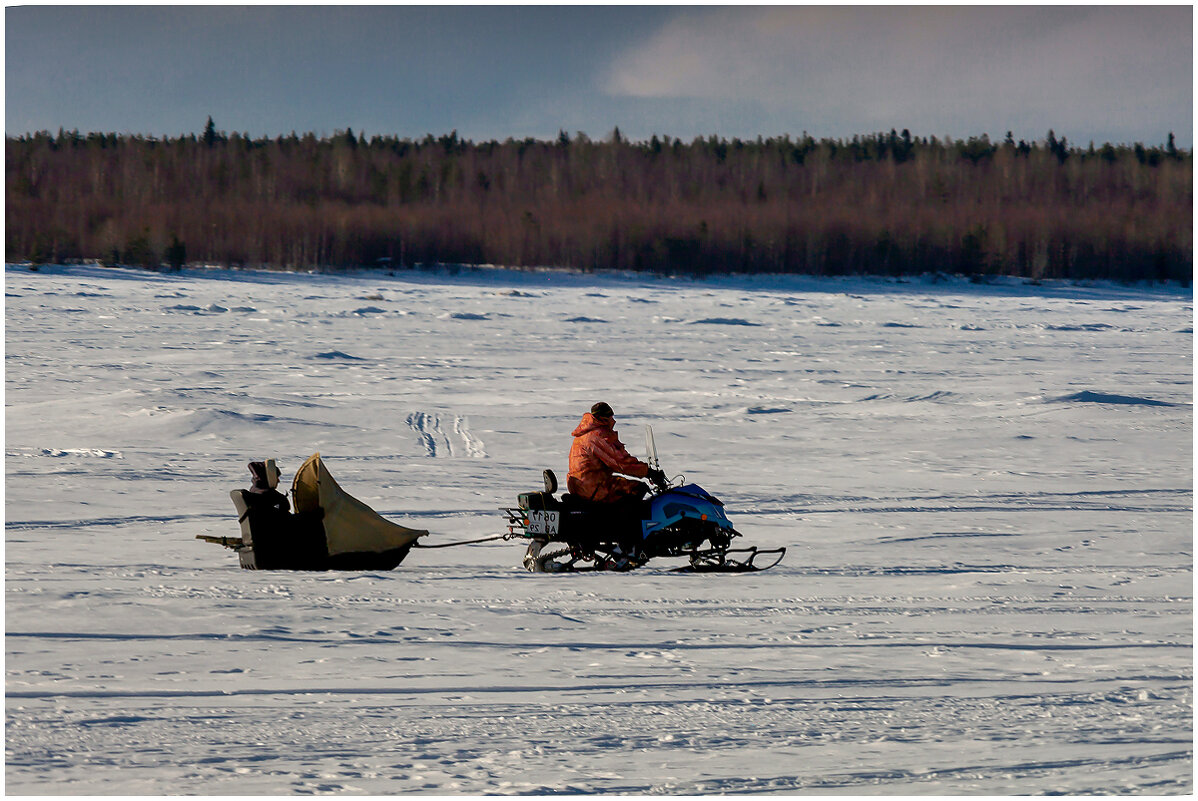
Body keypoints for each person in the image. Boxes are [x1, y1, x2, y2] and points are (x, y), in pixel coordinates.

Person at [567, 402, 666, 503]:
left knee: (622, 484)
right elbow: (620, 462)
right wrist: (649, 472)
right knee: (636, 488)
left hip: (581, 485)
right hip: (591, 488)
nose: (613, 421)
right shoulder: (598, 435)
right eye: (611, 417)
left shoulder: (584, 435)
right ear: (605, 418)